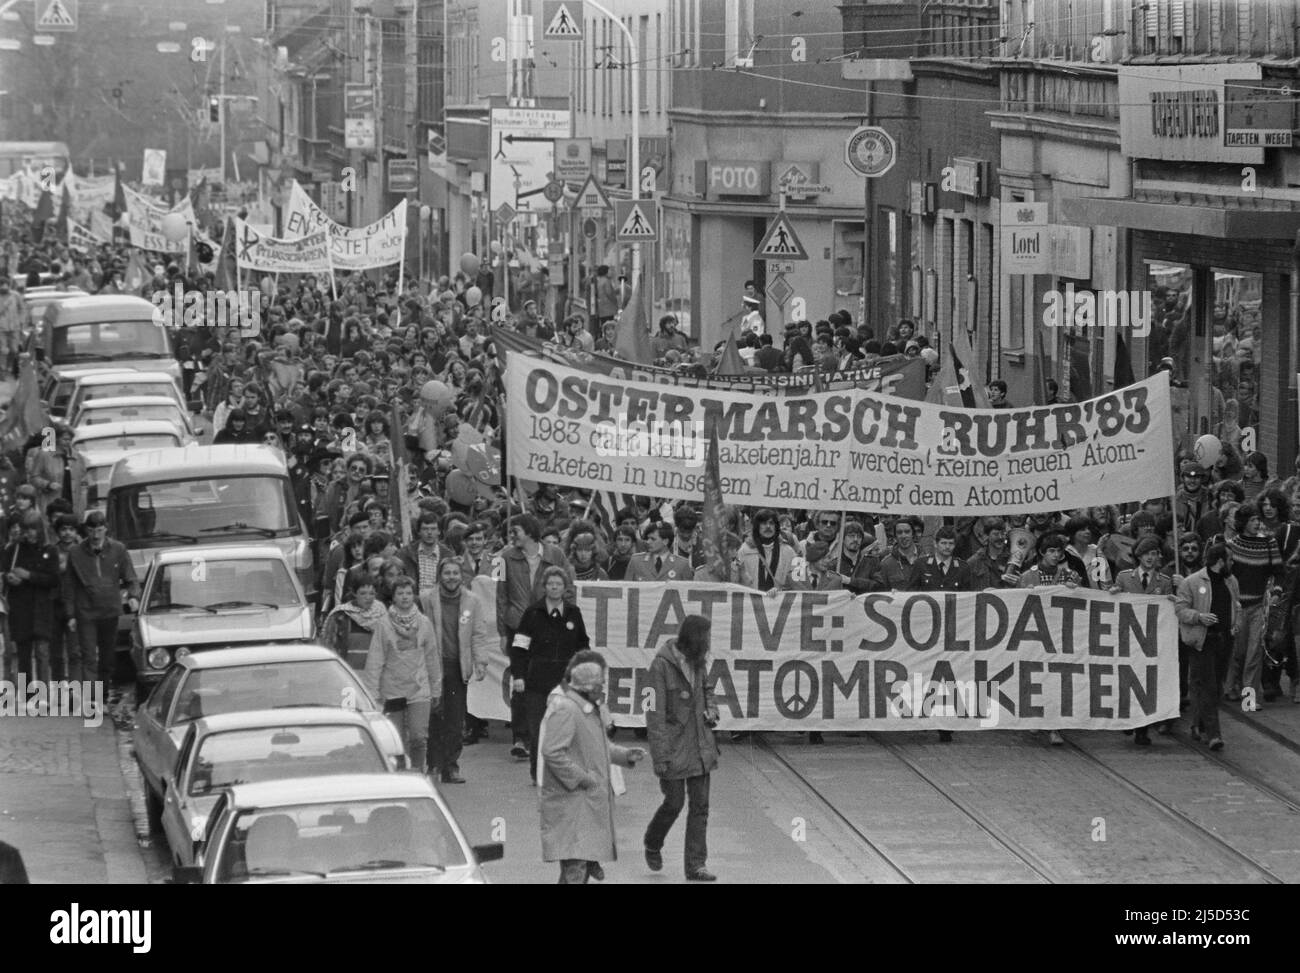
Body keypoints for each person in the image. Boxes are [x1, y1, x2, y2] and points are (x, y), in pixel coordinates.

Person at [538, 650, 646, 883]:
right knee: (576, 869)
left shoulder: (588, 708)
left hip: (581, 806)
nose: (603, 688)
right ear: (588, 686)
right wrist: (583, 778)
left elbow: (598, 747)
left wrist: (625, 755)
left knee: (577, 870)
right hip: (572, 805)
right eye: (600, 683)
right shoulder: (567, 709)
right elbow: (552, 752)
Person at [643, 614, 719, 882]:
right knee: (674, 803)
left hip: (700, 745)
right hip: (673, 747)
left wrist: (712, 709)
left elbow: (708, 690)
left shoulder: (699, 663)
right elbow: (652, 713)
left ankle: (696, 865)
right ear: (695, 639)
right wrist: (659, 755)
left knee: (700, 807)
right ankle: (653, 840)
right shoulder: (660, 666)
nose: (709, 643)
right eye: (706, 637)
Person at [498, 514, 572, 763]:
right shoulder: (505, 557)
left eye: (515, 530)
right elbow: (500, 595)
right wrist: (501, 631)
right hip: (518, 628)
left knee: (548, 679)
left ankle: (547, 737)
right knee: (520, 679)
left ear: (529, 531)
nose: (512, 536)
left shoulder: (557, 555)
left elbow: (569, 589)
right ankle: (521, 738)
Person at [418, 559, 493, 784]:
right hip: (432, 666)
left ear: (462, 576)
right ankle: (433, 764)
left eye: (455, 573)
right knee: (434, 717)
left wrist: (481, 662)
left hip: (457, 666)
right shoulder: (426, 599)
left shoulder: (472, 600)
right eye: (447, 573)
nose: (451, 577)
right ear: (440, 576)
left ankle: (451, 767)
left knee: (454, 719)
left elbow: (479, 634)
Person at [513, 566, 590, 782]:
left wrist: (584, 673)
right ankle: (537, 774)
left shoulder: (573, 613)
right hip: (536, 682)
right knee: (539, 731)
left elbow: (583, 645)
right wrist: (518, 675)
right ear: (544, 587)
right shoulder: (532, 613)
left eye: (558, 584)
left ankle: (562, 774)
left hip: (565, 684)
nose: (554, 587)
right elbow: (519, 648)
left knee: (565, 730)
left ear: (565, 588)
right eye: (550, 584)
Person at [362, 576, 440, 774]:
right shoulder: (383, 625)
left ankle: (417, 771)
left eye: (408, 593)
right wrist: (371, 693)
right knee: (396, 739)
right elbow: (375, 660)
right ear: (393, 598)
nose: (405, 597)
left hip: (419, 687)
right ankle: (401, 774)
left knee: (418, 736)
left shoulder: (424, 623)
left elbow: (432, 657)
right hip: (393, 689)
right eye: (400, 593)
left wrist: (436, 688)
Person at [61, 511, 139, 699]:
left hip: (110, 609)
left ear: (106, 529)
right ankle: (91, 701)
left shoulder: (118, 549)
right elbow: (69, 586)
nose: (96, 536)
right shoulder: (76, 552)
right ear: (86, 530)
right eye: (92, 530)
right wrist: (70, 614)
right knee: (89, 657)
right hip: (85, 611)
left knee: (107, 657)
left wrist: (133, 595)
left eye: (100, 530)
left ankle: (102, 695)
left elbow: (130, 577)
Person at [907, 526, 973, 742]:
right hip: (925, 632)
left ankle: (946, 725)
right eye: (943, 543)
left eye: (951, 544)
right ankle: (922, 716)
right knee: (924, 675)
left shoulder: (962, 568)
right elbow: (910, 595)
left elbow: (970, 598)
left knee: (950, 676)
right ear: (935, 543)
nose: (947, 547)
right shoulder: (921, 565)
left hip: (952, 631)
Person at [1110, 537, 1176, 745]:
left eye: (1154, 554)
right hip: (1128, 638)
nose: (1150, 558)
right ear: (1139, 556)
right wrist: (1112, 594)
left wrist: (1173, 600)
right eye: (1147, 554)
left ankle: (1142, 728)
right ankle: (1129, 720)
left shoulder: (1164, 582)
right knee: (1127, 679)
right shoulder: (1124, 578)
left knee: (1146, 682)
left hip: (1151, 640)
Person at [1176, 543, 1239, 751]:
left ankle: (1198, 725)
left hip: (1224, 640)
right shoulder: (1192, 582)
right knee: (1208, 686)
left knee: (1216, 687)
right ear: (1220, 561)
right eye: (1230, 559)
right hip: (1201, 641)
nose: (1232, 563)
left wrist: (1235, 624)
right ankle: (1214, 734)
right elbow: (1181, 609)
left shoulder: (1231, 581)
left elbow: (1235, 605)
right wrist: (1199, 617)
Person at [1225, 503, 1284, 706]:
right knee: (1238, 653)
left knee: (1254, 654)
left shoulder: (1269, 543)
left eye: (1258, 519)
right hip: (1238, 607)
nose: (1257, 523)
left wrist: (1276, 592)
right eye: (1252, 520)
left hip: (1259, 606)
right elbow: (1226, 575)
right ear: (1243, 523)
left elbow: (1279, 573)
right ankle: (1230, 686)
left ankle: (1249, 699)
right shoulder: (1232, 545)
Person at [2, 512, 60, 689]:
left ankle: (42, 693)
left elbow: (53, 579)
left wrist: (29, 576)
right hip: (20, 607)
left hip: (42, 608)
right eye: (26, 530)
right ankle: (27, 694)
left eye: (33, 529)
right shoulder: (14, 549)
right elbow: (4, 571)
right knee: (23, 654)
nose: (29, 534)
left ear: (40, 529)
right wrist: (9, 577)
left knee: (42, 652)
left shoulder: (50, 550)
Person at [320, 577, 387, 670]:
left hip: (375, 672)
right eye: (363, 593)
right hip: (348, 673)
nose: (368, 597)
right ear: (354, 593)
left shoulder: (382, 614)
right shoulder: (340, 616)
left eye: (371, 593)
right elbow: (328, 645)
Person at [735, 509, 796, 592]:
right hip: (751, 601)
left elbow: (799, 583)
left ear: (776, 526)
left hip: (779, 602)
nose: (768, 526)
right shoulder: (744, 550)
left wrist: (781, 591)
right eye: (764, 523)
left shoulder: (789, 551)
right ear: (757, 526)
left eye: (771, 523)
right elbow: (735, 578)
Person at [626, 523, 692, 582]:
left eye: (653, 539)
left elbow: (689, 593)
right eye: (648, 538)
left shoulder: (681, 564)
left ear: (665, 541)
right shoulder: (636, 561)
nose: (648, 542)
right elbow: (626, 590)